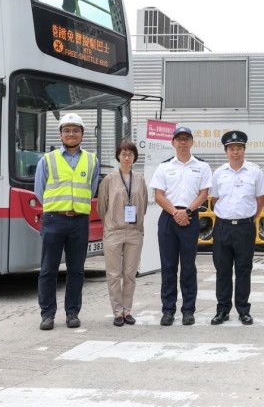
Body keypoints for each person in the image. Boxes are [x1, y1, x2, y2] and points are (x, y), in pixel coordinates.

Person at [35, 113, 100, 330]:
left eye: (75, 130)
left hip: (79, 221)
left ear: (82, 134)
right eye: (67, 130)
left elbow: (91, 189)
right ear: (61, 134)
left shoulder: (92, 160)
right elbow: (40, 190)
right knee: (48, 269)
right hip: (54, 219)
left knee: (77, 270)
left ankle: (72, 313)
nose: (71, 134)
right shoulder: (48, 159)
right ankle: (47, 314)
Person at [149, 126, 211, 326]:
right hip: (169, 218)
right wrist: (176, 213)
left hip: (191, 218)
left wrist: (187, 212)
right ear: (173, 143)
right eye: (179, 139)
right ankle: (168, 310)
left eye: (186, 138)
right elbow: (158, 195)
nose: (183, 142)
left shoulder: (202, 166)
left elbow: (204, 194)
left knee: (188, 267)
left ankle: (188, 310)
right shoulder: (164, 167)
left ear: (192, 142)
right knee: (168, 266)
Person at [210, 130, 264, 326]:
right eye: (231, 149)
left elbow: (260, 198)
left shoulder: (255, 172)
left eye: (239, 148)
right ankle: (222, 310)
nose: (235, 152)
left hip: (244, 227)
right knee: (223, 270)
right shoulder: (219, 173)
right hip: (223, 227)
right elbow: (214, 199)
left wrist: (253, 216)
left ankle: (243, 310)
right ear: (226, 151)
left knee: (244, 270)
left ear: (244, 150)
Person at [98, 141, 149, 326]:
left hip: (134, 232)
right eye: (123, 154)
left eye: (130, 154)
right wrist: (110, 224)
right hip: (114, 231)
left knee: (129, 273)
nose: (127, 157)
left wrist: (136, 223)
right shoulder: (109, 179)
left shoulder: (140, 179)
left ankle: (127, 310)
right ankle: (117, 312)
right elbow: (101, 206)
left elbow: (143, 204)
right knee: (113, 274)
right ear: (118, 157)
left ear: (135, 157)